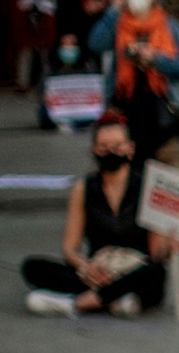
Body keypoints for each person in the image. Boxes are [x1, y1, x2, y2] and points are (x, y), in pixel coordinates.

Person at [23, 114, 170, 318]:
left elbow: (155, 254)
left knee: (156, 273)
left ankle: (78, 303)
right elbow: (70, 247)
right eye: (104, 146)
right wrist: (86, 267)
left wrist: (170, 241)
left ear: (130, 148)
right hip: (97, 270)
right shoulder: (84, 188)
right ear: (94, 150)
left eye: (118, 146)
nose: (111, 152)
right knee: (33, 267)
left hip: (133, 269)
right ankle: (114, 300)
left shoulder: (147, 187)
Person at [87, 0, 179, 164]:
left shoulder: (171, 26)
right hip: (124, 106)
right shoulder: (118, 23)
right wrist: (114, 10)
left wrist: (155, 58)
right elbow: (95, 44)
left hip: (161, 109)